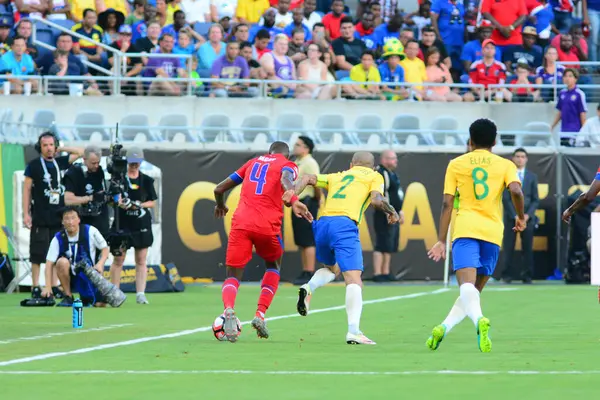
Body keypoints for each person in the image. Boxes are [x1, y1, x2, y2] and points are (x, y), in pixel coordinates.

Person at [426, 118, 526, 353]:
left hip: (465, 229)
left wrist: (441, 239)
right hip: (492, 232)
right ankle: (443, 327)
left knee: (466, 288)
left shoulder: (456, 164)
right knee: (473, 292)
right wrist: (520, 217)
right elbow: (516, 190)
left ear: (470, 140)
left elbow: (446, 203)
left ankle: (480, 319)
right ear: (495, 140)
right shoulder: (505, 165)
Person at [290, 151, 400, 345]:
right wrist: (391, 211)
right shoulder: (375, 176)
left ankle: (309, 287)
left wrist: (292, 195)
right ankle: (354, 331)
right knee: (354, 280)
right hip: (344, 225)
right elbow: (376, 200)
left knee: (333, 269)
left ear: (351, 165)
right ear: (372, 167)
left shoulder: (337, 176)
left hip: (322, 224)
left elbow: (307, 178)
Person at [213, 141, 310, 342]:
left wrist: (221, 206)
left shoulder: (252, 162)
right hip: (268, 225)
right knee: (273, 265)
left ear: (269, 152)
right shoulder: (288, 165)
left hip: (241, 223)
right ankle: (260, 314)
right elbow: (285, 180)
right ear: (287, 154)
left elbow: (219, 188)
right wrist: (294, 200)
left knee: (232, 273)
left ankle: (229, 308)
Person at [23, 132, 84, 298]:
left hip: (58, 216)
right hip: (40, 214)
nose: (49, 148)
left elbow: (80, 152)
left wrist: (61, 148)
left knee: (58, 251)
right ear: (40, 147)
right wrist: (26, 213)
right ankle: (36, 285)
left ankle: (55, 285)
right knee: (37, 252)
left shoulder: (61, 161)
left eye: (51, 145)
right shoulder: (34, 165)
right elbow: (27, 189)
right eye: (45, 145)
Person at [109, 147, 158, 305]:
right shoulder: (119, 179)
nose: (135, 165)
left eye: (137, 162)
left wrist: (138, 205)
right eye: (132, 162)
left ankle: (140, 293)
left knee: (141, 259)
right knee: (118, 258)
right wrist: (121, 203)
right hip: (122, 222)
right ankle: (115, 292)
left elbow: (152, 202)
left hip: (141, 223)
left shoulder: (147, 180)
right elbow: (113, 198)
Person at [41, 207, 109, 307]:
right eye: (67, 219)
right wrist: (48, 286)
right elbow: (49, 263)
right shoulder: (58, 237)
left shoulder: (91, 231)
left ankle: (88, 296)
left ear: (78, 220)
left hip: (89, 274)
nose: (70, 222)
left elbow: (105, 249)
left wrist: (100, 264)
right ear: (63, 222)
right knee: (61, 262)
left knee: (100, 304)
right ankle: (68, 296)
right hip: (70, 276)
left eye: (73, 218)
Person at [501, 148, 539, 284]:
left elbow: (535, 199)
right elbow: (506, 198)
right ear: (513, 158)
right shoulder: (508, 175)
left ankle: (527, 276)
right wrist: (515, 216)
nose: (520, 159)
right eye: (517, 156)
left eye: (523, 157)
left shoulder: (532, 177)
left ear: (526, 159)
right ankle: (506, 275)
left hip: (528, 219)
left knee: (528, 247)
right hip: (511, 218)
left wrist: (527, 215)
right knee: (508, 247)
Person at [291, 136, 321, 286]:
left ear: (306, 149)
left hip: (307, 202)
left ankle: (310, 271)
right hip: (298, 202)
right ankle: (305, 270)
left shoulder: (309, 162)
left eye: (298, 145)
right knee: (302, 239)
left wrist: (318, 198)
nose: (294, 147)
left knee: (308, 238)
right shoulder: (298, 162)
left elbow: (316, 181)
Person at [64, 145, 109, 239]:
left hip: (100, 222)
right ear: (84, 159)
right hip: (83, 222)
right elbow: (68, 199)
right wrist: (90, 198)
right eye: (93, 163)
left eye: (98, 162)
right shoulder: (74, 172)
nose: (96, 166)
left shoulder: (99, 171)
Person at [372, 150, 404, 282]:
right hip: (384, 214)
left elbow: (396, 194)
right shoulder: (381, 173)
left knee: (389, 243)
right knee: (381, 242)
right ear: (384, 159)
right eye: (392, 158)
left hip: (394, 212)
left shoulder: (392, 174)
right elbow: (381, 194)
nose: (395, 161)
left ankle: (386, 271)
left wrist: (399, 210)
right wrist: (388, 211)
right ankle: (378, 273)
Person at [551, 68, 587, 146]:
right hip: (563, 131)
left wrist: (584, 132)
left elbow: (582, 114)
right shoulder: (562, 93)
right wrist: (552, 126)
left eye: (570, 76)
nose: (567, 78)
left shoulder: (579, 94)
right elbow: (560, 112)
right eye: (565, 76)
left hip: (575, 131)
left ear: (575, 79)